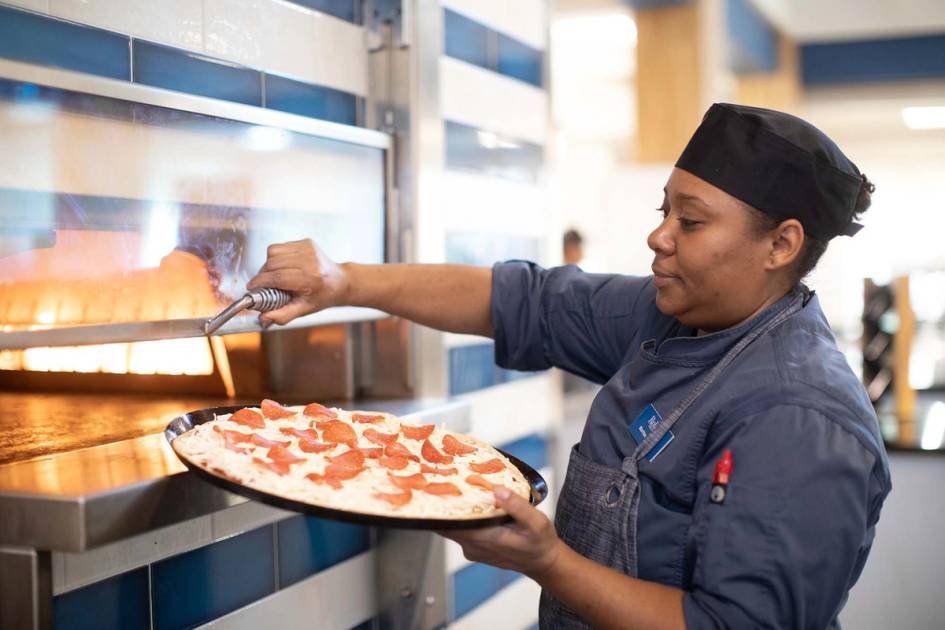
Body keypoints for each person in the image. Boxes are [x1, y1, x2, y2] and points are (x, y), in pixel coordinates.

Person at [248, 103, 890, 629]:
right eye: (663, 210)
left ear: (781, 244)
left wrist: (548, 561)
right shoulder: (669, 314)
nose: (659, 237)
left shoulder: (798, 416)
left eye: (690, 222)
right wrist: (344, 280)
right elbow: (522, 302)